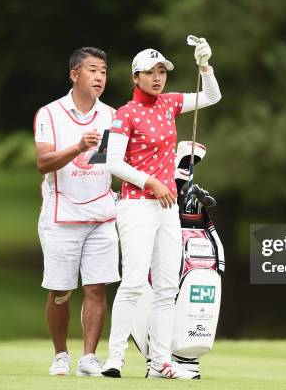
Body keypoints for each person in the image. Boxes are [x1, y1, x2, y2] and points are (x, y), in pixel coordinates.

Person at [101, 39, 221, 379]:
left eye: (162, 72)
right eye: (150, 73)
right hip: (137, 206)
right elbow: (113, 163)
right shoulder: (126, 114)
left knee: (167, 286)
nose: (158, 78)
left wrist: (205, 66)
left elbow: (211, 97)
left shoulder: (169, 104)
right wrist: (150, 181)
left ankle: (160, 363)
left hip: (166, 209)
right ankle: (115, 359)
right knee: (135, 282)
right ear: (135, 77)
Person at [33, 47, 119, 377]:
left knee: (97, 287)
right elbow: (44, 162)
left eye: (103, 72)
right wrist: (78, 147)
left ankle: (88, 358)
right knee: (60, 291)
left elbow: (110, 162)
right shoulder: (50, 114)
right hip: (60, 215)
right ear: (74, 75)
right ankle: (60, 355)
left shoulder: (112, 115)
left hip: (101, 215)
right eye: (92, 70)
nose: (99, 77)